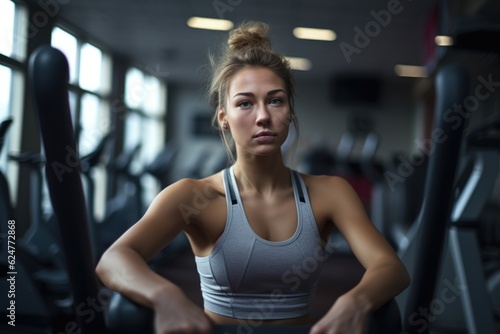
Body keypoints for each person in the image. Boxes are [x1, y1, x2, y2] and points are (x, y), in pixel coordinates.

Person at [96, 21, 410, 334]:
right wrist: (165, 296)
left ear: (289, 111)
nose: (263, 116)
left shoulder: (329, 193)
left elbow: (390, 268)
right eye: (245, 103)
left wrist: (355, 301)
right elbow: (114, 258)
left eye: (275, 100)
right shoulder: (194, 196)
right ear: (223, 118)